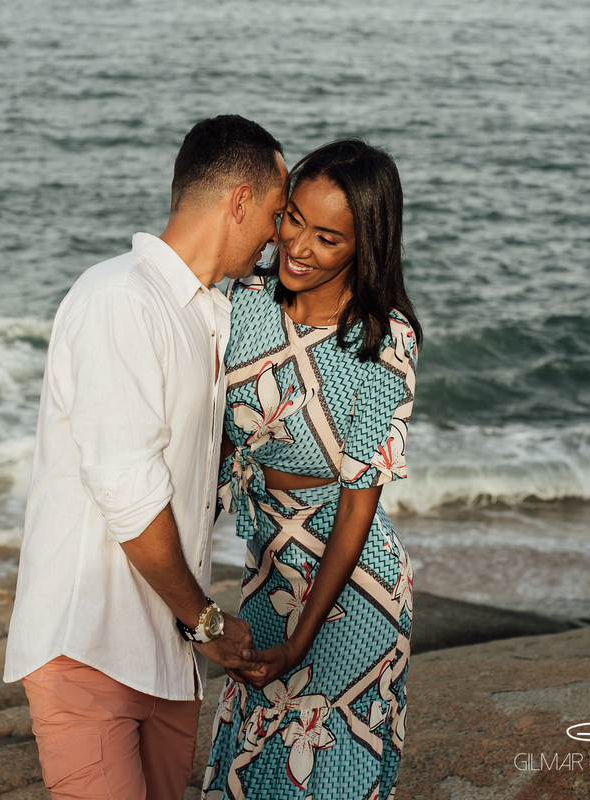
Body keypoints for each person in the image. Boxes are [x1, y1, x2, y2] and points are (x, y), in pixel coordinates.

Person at [4, 115, 289, 800]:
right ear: (240, 201)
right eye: (276, 215)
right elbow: (127, 490)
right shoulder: (120, 299)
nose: (278, 235)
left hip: (166, 659)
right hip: (90, 644)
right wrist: (207, 622)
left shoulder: (210, 313)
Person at [202, 139, 422, 800]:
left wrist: (300, 644)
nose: (297, 246)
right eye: (293, 219)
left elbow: (358, 506)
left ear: (363, 246)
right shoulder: (245, 300)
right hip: (268, 566)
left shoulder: (383, 341)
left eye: (327, 238)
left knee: (327, 774)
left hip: (350, 585)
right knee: (255, 768)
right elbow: (214, 445)